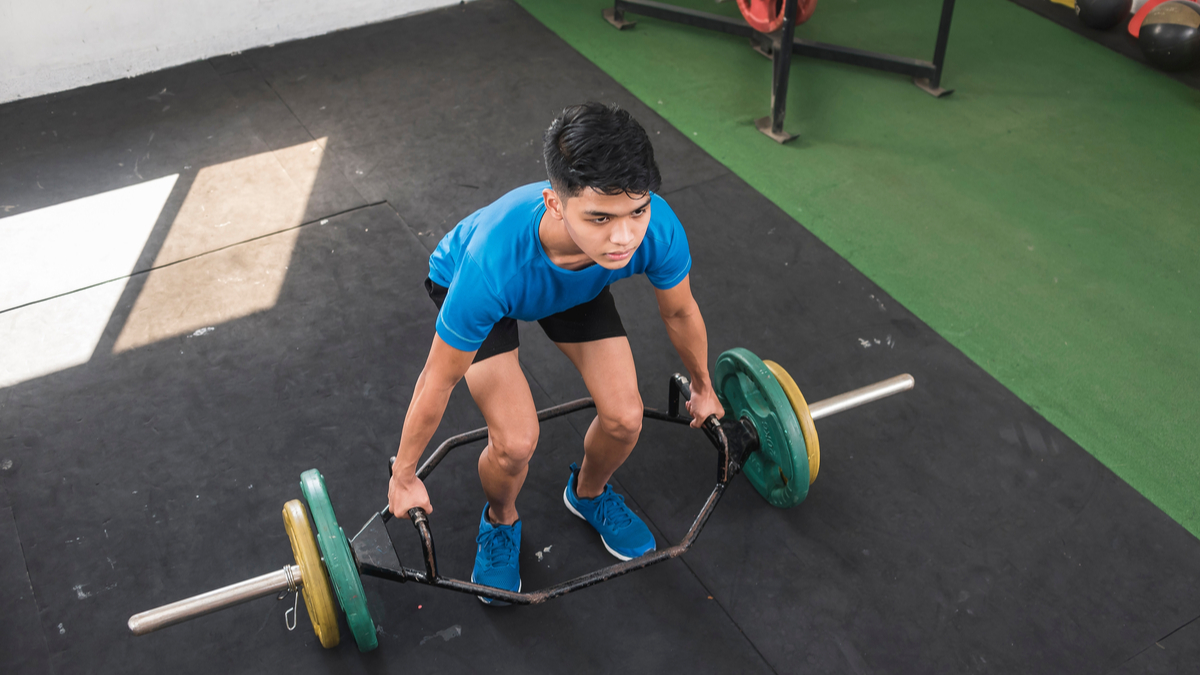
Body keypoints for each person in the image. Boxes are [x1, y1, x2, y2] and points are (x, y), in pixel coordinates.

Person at [387, 102, 724, 602]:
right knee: (516, 441)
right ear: (554, 204)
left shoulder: (653, 229)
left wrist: (703, 387)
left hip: (579, 285)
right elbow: (438, 378)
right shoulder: (489, 266)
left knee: (626, 417)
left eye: (638, 210)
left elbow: (679, 312)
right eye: (601, 217)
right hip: (490, 290)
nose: (625, 235)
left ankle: (587, 493)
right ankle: (501, 521)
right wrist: (403, 474)